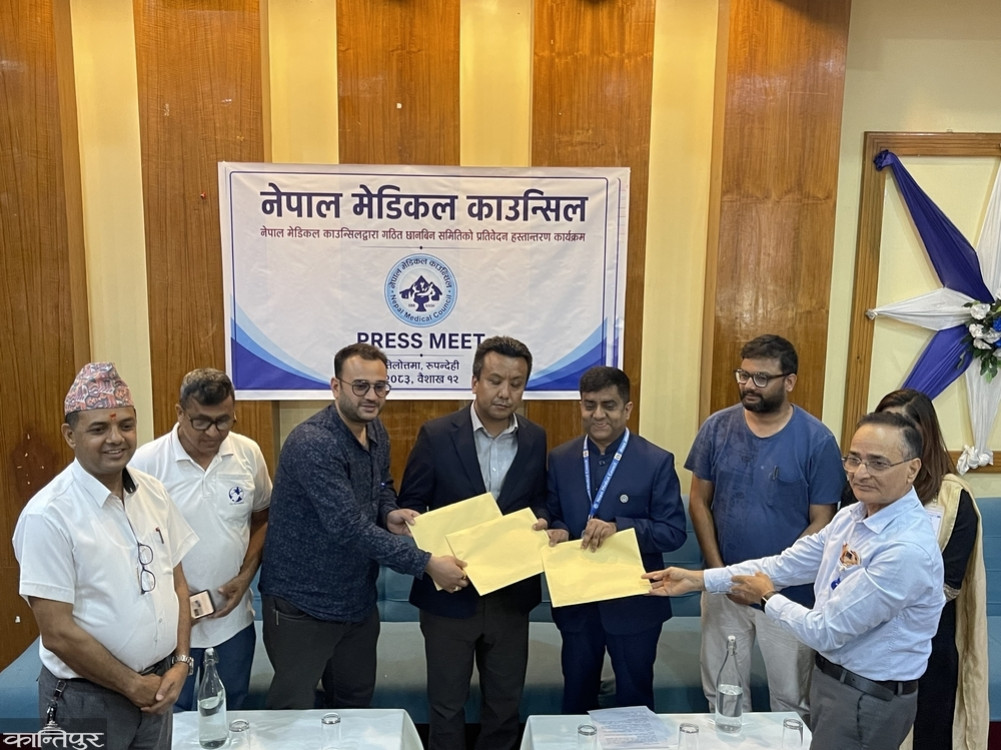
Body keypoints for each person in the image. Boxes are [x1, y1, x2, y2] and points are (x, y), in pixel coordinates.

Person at [645, 412, 946, 750]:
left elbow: (827, 630)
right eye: (854, 459)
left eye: (878, 463)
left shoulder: (905, 549)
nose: (861, 473)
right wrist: (700, 580)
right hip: (833, 681)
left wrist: (767, 598)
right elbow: (785, 565)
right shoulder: (852, 516)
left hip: (867, 697)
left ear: (912, 469)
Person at [258, 343, 467, 710]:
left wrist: (388, 512)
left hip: (357, 602)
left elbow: (382, 484)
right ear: (335, 386)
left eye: (380, 386)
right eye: (360, 386)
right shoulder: (314, 443)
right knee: (292, 713)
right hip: (302, 605)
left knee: (354, 707)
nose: (372, 396)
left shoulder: (376, 431)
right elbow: (348, 527)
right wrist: (426, 563)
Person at [12, 362, 198, 748]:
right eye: (98, 429)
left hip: (158, 688)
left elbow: (178, 585)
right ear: (70, 435)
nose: (116, 438)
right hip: (85, 701)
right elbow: (58, 633)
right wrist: (132, 685)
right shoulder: (49, 515)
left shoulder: (152, 492)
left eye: (126, 426)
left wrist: (182, 662)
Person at [398, 335, 548, 750]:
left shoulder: (535, 438)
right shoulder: (436, 435)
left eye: (516, 383)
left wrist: (545, 521)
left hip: (511, 594)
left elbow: (540, 500)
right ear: (475, 381)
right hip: (450, 594)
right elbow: (411, 506)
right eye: (495, 381)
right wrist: (429, 556)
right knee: (447, 707)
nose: (505, 393)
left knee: (504, 706)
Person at [686, 334, 843, 720]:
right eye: (743, 375)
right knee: (722, 693)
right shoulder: (716, 428)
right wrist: (720, 573)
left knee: (790, 701)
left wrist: (771, 579)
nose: (748, 386)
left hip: (788, 593)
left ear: (789, 381)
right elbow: (698, 501)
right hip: (725, 585)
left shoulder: (818, 441)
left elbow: (823, 520)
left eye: (761, 378)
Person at [545, 366, 686, 712]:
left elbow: (673, 531)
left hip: (634, 605)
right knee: (576, 699)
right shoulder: (561, 459)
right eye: (589, 405)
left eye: (608, 405)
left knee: (635, 703)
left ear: (627, 408)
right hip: (578, 602)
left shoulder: (656, 461)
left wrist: (620, 528)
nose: (598, 415)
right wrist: (556, 527)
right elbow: (554, 513)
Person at [130, 368, 271, 711]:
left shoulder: (248, 454)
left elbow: (263, 518)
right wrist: (173, 592)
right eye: (201, 422)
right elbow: (127, 541)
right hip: (166, 625)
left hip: (232, 622)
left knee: (228, 713)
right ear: (180, 412)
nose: (213, 433)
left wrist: (245, 577)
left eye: (223, 421)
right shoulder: (146, 463)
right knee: (170, 719)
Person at [872, 389, 987, 750]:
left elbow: (948, 584)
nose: (895, 435)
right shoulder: (863, 488)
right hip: (864, 635)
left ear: (926, 435)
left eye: (906, 426)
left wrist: (882, 602)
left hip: (927, 643)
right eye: (887, 424)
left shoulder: (953, 499)